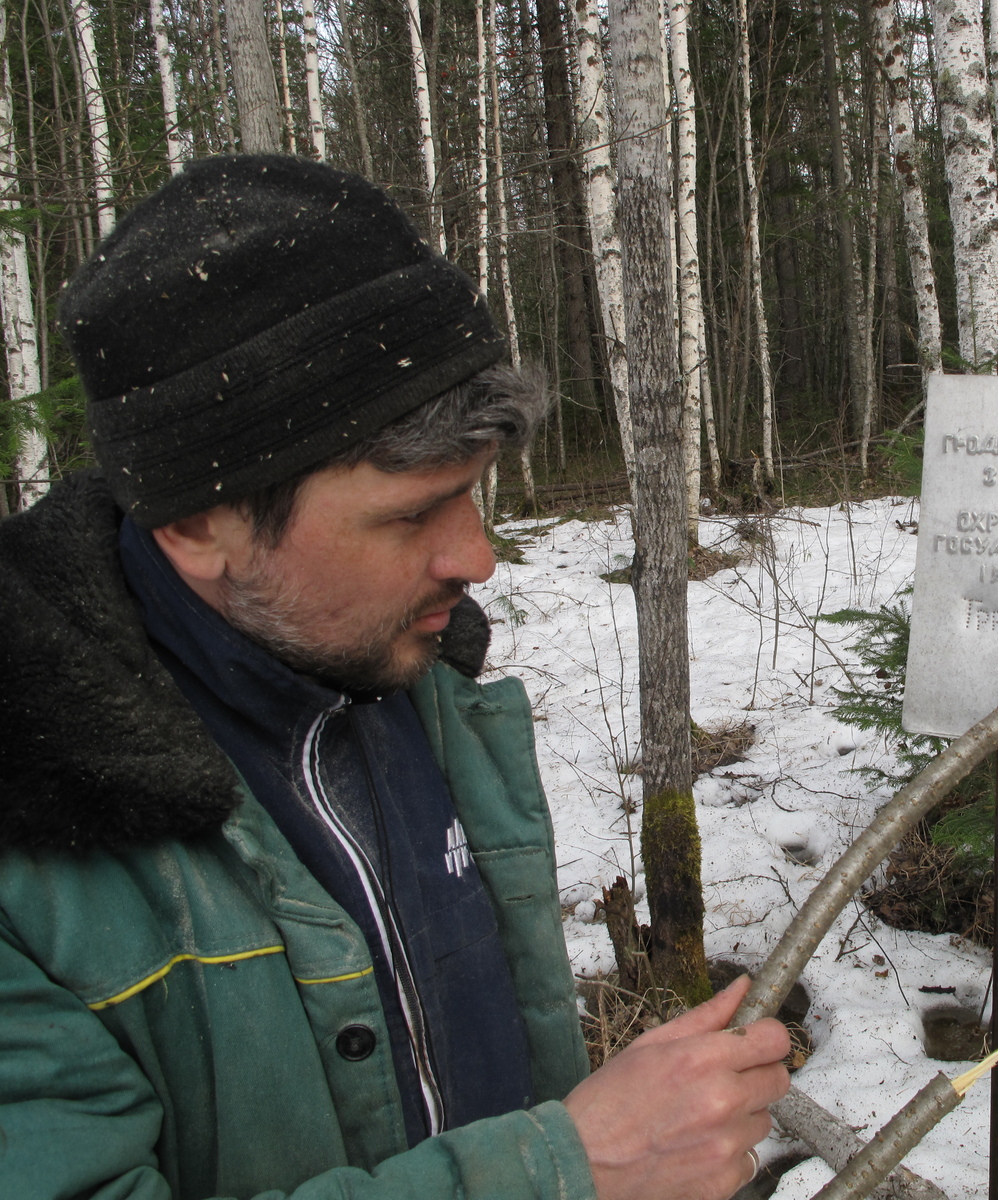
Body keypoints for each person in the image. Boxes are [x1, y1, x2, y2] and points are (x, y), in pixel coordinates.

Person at [0, 155, 790, 1200]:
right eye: (412, 512)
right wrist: (566, 1172)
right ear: (199, 521)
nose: (477, 559)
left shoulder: (409, 681)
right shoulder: (35, 815)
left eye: (472, 494)